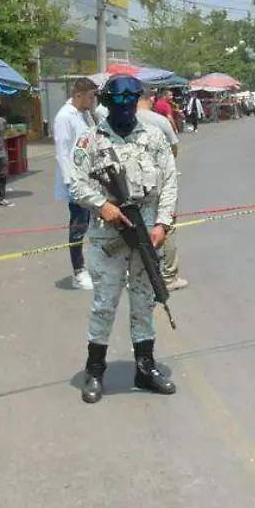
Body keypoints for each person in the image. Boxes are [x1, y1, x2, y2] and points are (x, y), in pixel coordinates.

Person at [66, 74, 179, 404]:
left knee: (144, 300)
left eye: (131, 104)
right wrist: (103, 206)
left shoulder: (154, 137)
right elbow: (75, 183)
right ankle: (95, 370)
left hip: (147, 233)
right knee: (105, 303)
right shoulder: (90, 141)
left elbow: (169, 183)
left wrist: (162, 224)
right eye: (119, 104)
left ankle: (145, 369)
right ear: (107, 104)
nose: (127, 110)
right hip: (107, 235)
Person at [136, 98, 189, 292]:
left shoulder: (121, 121)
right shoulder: (159, 121)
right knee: (166, 226)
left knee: (137, 226)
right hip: (158, 182)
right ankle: (168, 276)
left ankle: (140, 273)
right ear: (149, 99)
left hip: (133, 186)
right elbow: (174, 147)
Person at [53, 78, 101, 292]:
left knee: (94, 225)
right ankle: (78, 271)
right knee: (78, 226)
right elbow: (63, 152)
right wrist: (70, 182)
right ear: (78, 95)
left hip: (91, 179)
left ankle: (94, 266)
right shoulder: (64, 117)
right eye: (90, 97)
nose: (92, 102)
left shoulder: (84, 114)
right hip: (76, 182)